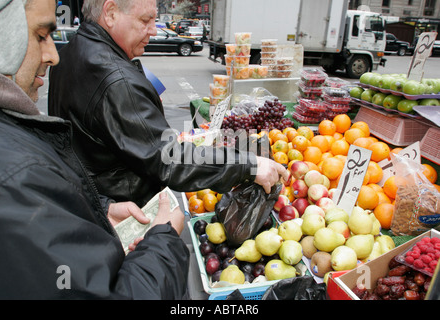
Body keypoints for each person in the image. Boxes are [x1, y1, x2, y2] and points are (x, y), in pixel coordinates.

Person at [0, 0, 189, 299]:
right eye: (41, 35)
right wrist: (163, 240)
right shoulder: (15, 176)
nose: (52, 55)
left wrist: (98, 210)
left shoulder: (77, 51)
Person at [48, 0, 289, 208]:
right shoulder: (117, 80)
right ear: (110, 13)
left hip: (93, 195)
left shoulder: (69, 52)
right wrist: (248, 165)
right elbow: (169, 158)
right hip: (123, 206)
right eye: (145, 20)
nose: (153, 30)